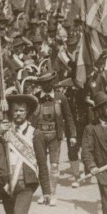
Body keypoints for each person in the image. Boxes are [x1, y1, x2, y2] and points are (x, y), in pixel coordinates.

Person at [0, 94, 50, 214]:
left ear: (27, 112)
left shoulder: (36, 134)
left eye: (21, 110)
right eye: (15, 110)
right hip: (7, 184)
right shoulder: (4, 130)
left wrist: (47, 191)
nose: (18, 114)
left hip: (26, 184)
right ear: (10, 111)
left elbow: (42, 163)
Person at [31, 70, 76, 206]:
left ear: (52, 82)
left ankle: (53, 194)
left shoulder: (60, 98)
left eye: (49, 82)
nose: (47, 85)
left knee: (54, 166)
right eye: (44, 83)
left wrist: (72, 135)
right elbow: (29, 117)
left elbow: (68, 117)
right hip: (39, 135)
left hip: (55, 136)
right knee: (41, 165)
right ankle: (45, 193)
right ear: (41, 84)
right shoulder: (35, 98)